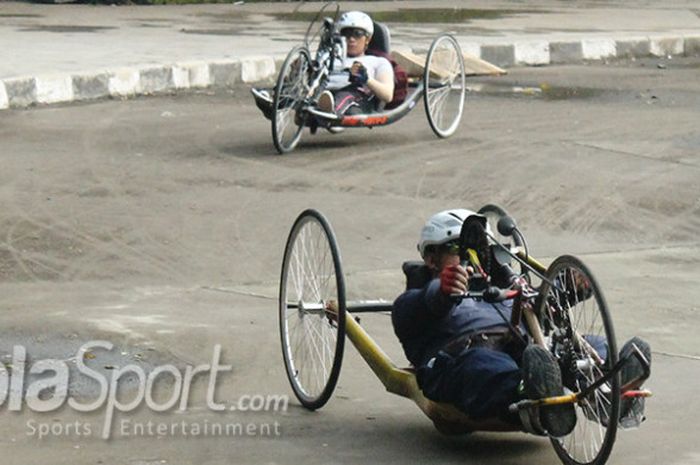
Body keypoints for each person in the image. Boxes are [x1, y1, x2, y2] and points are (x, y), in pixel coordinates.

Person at [392, 209, 652, 436]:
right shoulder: (417, 298)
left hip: (527, 352)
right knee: (483, 365)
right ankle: (533, 395)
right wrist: (443, 291)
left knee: (584, 346)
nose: (469, 256)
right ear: (431, 257)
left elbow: (540, 306)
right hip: (466, 361)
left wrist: (570, 288)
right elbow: (414, 310)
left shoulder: (501, 284)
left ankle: (608, 385)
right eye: (455, 249)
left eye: (477, 249)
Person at [317, 11, 395, 115]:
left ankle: (330, 110)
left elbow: (388, 95)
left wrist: (367, 79)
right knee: (315, 90)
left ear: (367, 39)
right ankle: (312, 107)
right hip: (326, 92)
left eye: (357, 34)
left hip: (357, 96)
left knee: (346, 95)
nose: (351, 39)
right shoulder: (329, 57)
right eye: (346, 34)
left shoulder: (378, 62)